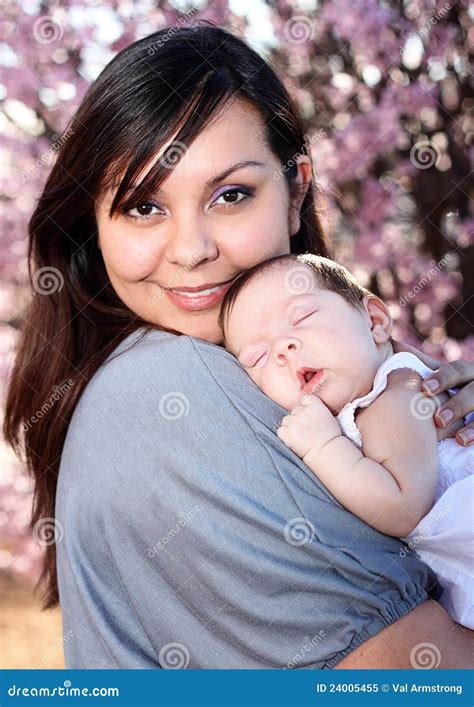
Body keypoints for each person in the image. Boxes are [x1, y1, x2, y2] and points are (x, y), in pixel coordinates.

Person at [4, 25, 474, 669]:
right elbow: (415, 672)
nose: (192, 250)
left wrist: (444, 448)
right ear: (95, 225)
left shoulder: (311, 373)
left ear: (296, 192)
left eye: (230, 195)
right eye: (144, 207)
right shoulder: (164, 390)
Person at [219, 253, 474, 630]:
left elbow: (402, 507)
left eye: (302, 318)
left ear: (374, 321)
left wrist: (323, 447)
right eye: (257, 357)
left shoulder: (397, 395)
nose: (283, 348)